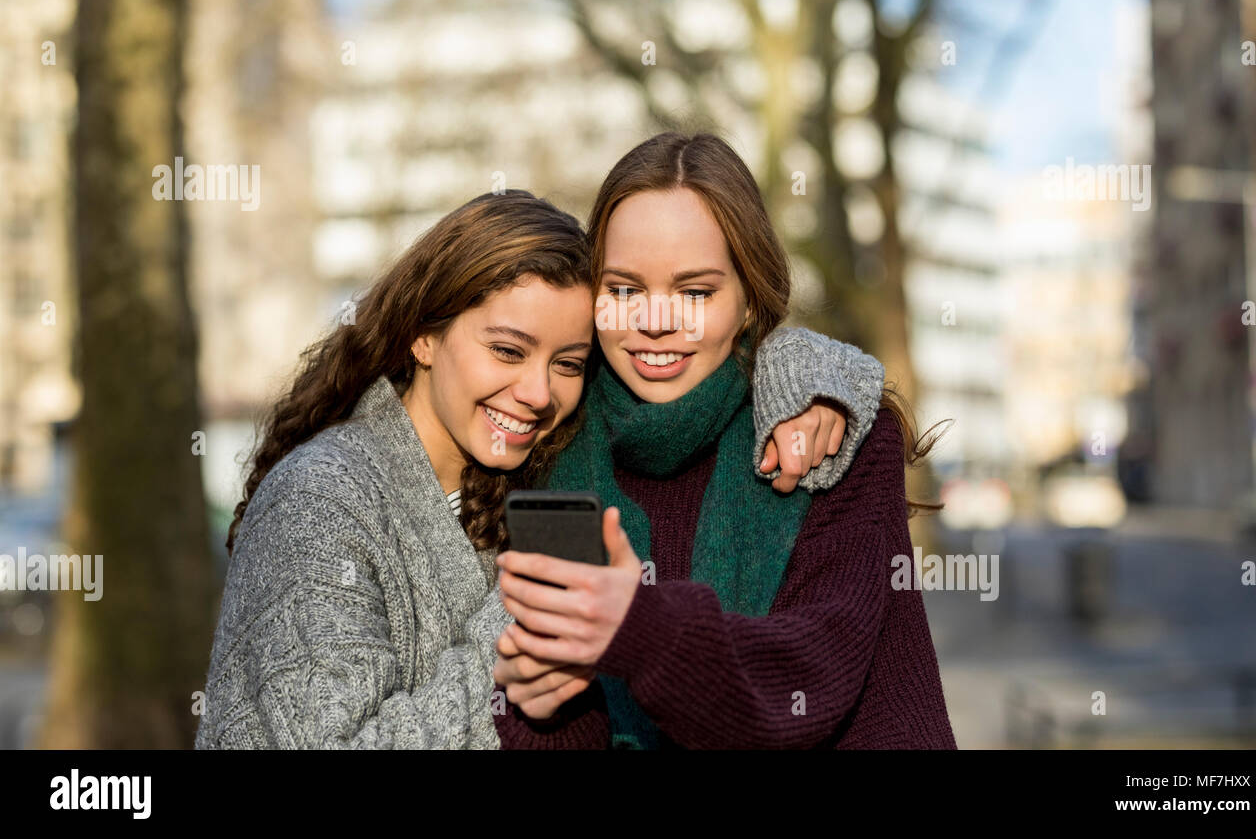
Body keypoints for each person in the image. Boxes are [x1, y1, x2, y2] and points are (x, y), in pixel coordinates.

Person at [195, 189, 883, 748]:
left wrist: (813, 377)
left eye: (568, 364)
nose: (537, 393)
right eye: (506, 350)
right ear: (424, 335)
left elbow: (682, 355)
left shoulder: (520, 473)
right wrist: (518, 643)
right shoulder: (322, 499)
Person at [491, 133, 957, 749]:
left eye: (696, 292)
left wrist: (636, 627)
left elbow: (809, 676)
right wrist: (539, 706)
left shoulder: (834, 439)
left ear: (747, 302)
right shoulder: (545, 434)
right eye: (625, 289)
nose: (656, 322)